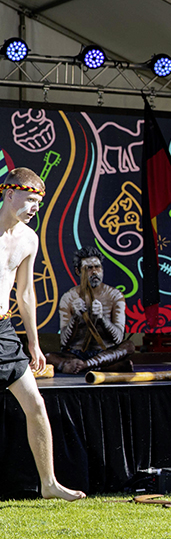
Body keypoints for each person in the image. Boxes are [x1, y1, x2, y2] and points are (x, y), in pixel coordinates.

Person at [0, 169, 85, 501]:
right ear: (9, 194)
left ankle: (49, 484)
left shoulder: (29, 239)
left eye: (39, 201)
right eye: (30, 199)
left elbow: (25, 293)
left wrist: (34, 343)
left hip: (4, 331)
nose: (35, 207)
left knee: (35, 403)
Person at [46, 245, 135, 374]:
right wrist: (75, 318)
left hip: (105, 352)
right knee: (48, 357)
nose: (94, 272)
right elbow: (64, 342)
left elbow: (118, 339)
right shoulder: (68, 297)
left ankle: (85, 366)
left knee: (128, 346)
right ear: (78, 271)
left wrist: (102, 318)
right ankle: (100, 367)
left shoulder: (115, 295)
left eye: (97, 267)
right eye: (88, 268)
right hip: (76, 353)